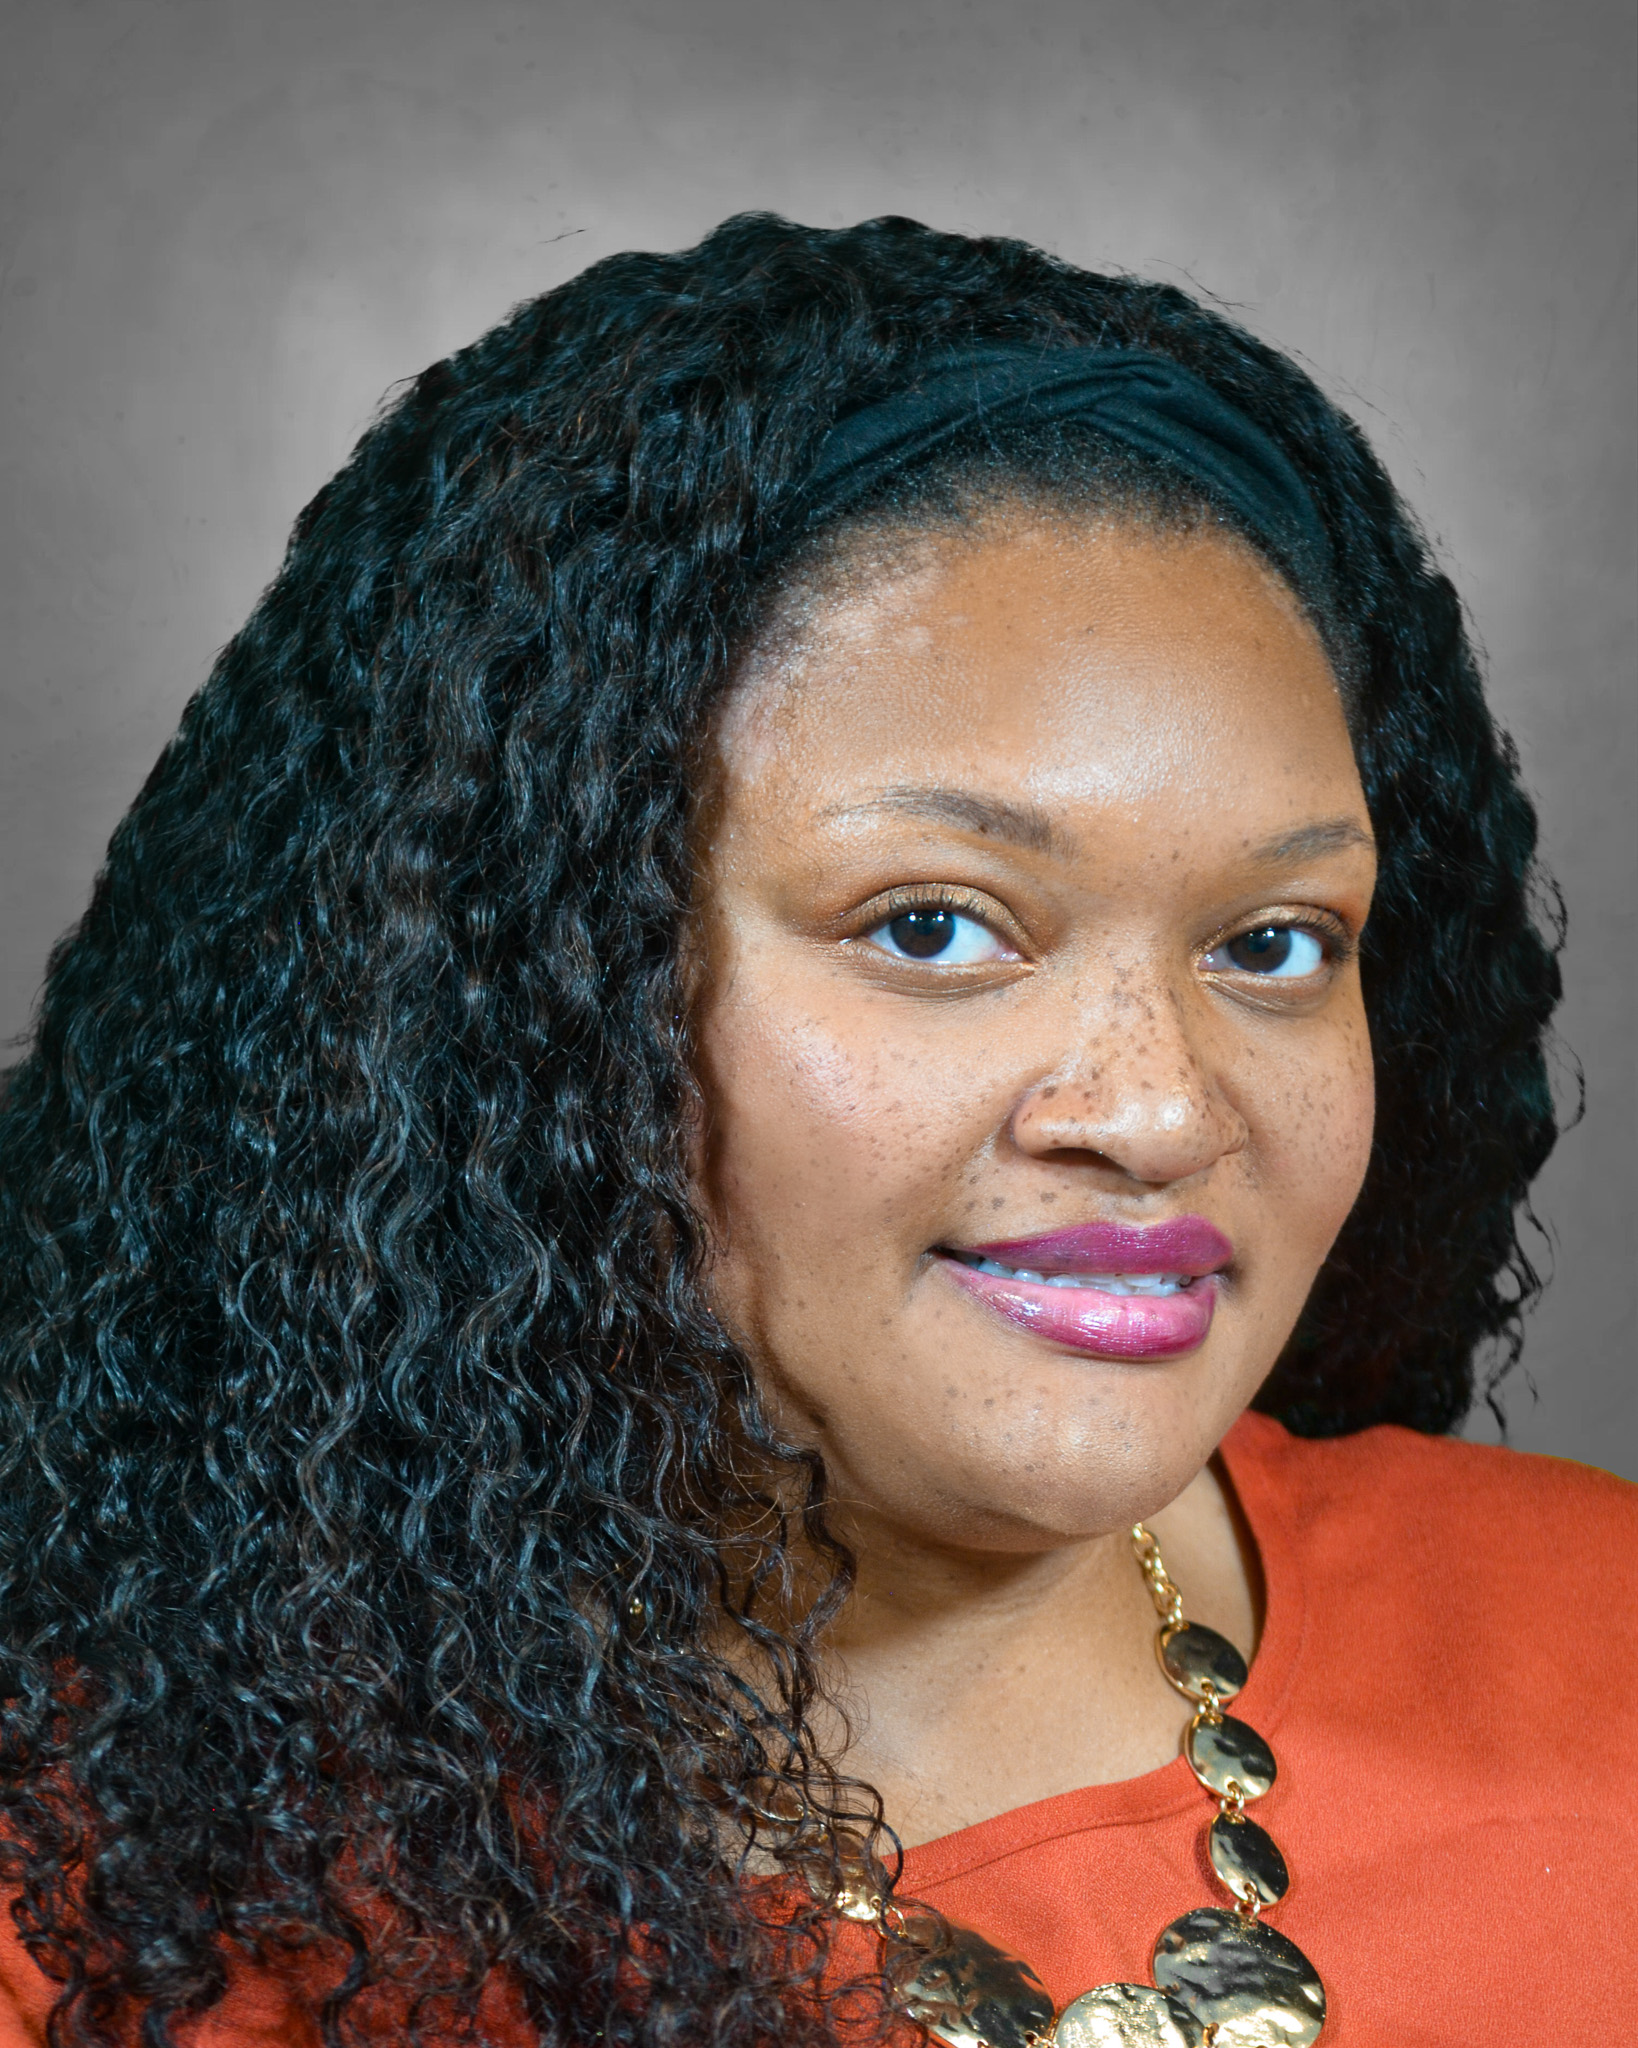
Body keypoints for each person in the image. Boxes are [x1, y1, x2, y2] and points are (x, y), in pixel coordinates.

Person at [0, 213, 1629, 2048]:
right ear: (525, 992)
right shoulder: (106, 1905)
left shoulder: (1600, 1643)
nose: (1161, 1110)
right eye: (931, 925)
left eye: (1271, 945)